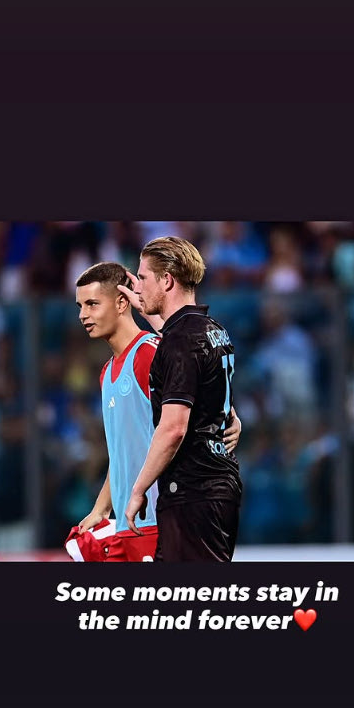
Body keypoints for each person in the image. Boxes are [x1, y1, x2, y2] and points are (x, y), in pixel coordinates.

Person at [74, 261, 241, 562]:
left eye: (92, 304)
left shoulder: (149, 353)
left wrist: (227, 412)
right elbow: (125, 452)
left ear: (122, 302)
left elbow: (196, 385)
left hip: (158, 518)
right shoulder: (106, 373)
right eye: (80, 306)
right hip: (127, 523)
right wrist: (101, 508)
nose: (83, 315)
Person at [124, 237, 243, 562]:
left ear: (166, 280)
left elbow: (174, 428)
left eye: (143, 277)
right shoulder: (212, 329)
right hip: (217, 482)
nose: (138, 287)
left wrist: (139, 489)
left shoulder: (181, 341)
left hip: (192, 488)